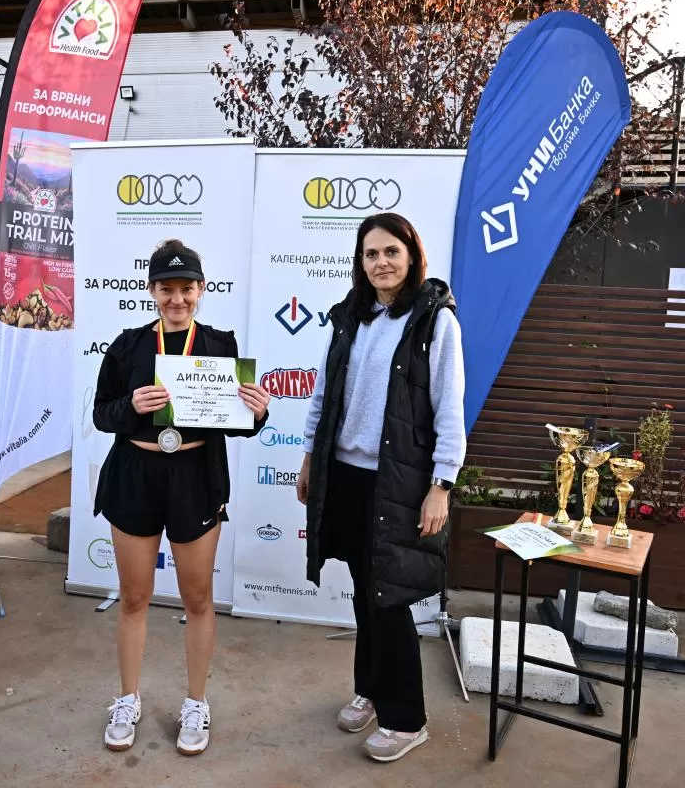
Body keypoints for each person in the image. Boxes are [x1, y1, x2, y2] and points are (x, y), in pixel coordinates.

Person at [296, 212, 466, 763]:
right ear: (360, 262)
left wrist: (441, 484)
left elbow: (449, 409)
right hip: (345, 474)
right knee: (363, 591)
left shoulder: (435, 322)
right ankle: (370, 689)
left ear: (412, 256)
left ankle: (407, 720)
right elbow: (324, 396)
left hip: (397, 481)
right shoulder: (351, 317)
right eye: (371, 254)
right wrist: (310, 459)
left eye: (392, 251)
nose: (381, 262)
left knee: (387, 599)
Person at [92, 239, 270, 756]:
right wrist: (130, 406)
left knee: (197, 598)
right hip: (135, 474)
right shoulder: (127, 346)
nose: (177, 299)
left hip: (194, 475)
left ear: (201, 290)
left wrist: (258, 412)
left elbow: (237, 424)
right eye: (166, 289)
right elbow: (101, 414)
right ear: (151, 291)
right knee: (133, 597)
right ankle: (128, 698)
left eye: (186, 289)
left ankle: (196, 702)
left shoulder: (219, 345)